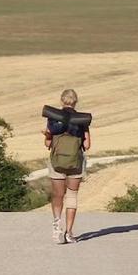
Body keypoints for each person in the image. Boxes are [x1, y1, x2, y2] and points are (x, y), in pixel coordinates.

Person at [43, 89, 91, 244]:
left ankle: (57, 227)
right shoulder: (82, 120)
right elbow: (87, 145)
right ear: (76, 102)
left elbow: (48, 144)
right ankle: (69, 233)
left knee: (58, 195)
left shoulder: (53, 118)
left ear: (61, 101)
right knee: (72, 196)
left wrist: (49, 136)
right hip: (75, 163)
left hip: (56, 162)